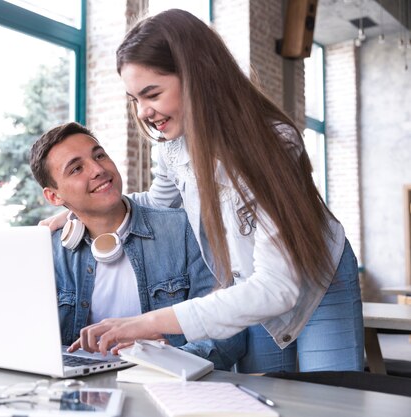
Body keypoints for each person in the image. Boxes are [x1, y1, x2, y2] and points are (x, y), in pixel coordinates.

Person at [48, 9, 364, 373]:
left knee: (330, 400)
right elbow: (158, 203)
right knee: (268, 394)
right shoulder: (171, 149)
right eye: (135, 99)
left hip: (317, 279)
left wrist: (145, 323)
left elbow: (278, 285)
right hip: (254, 289)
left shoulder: (272, 142)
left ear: (197, 75)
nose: (144, 112)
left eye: (152, 94)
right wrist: (84, 208)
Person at [29, 121, 245, 371]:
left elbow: (227, 337)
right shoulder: (49, 253)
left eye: (99, 155)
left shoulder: (185, 230)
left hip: (168, 385)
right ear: (54, 196)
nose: (98, 169)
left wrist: (165, 357)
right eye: (76, 168)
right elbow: (30, 339)